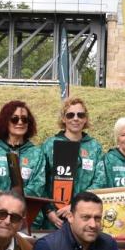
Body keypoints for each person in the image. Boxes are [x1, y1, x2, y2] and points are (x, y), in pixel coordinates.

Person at [0, 101, 47, 219]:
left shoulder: (36, 153)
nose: (20, 122)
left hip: (27, 221)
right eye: (14, 119)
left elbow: (37, 189)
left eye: (24, 119)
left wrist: (4, 195)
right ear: (5, 122)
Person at [40, 97, 103, 229]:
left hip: (84, 218)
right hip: (55, 219)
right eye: (70, 115)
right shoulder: (50, 145)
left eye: (80, 115)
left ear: (85, 119)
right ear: (64, 119)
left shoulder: (94, 147)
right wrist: (49, 212)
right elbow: (41, 182)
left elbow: (99, 182)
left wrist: (75, 206)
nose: (76, 119)